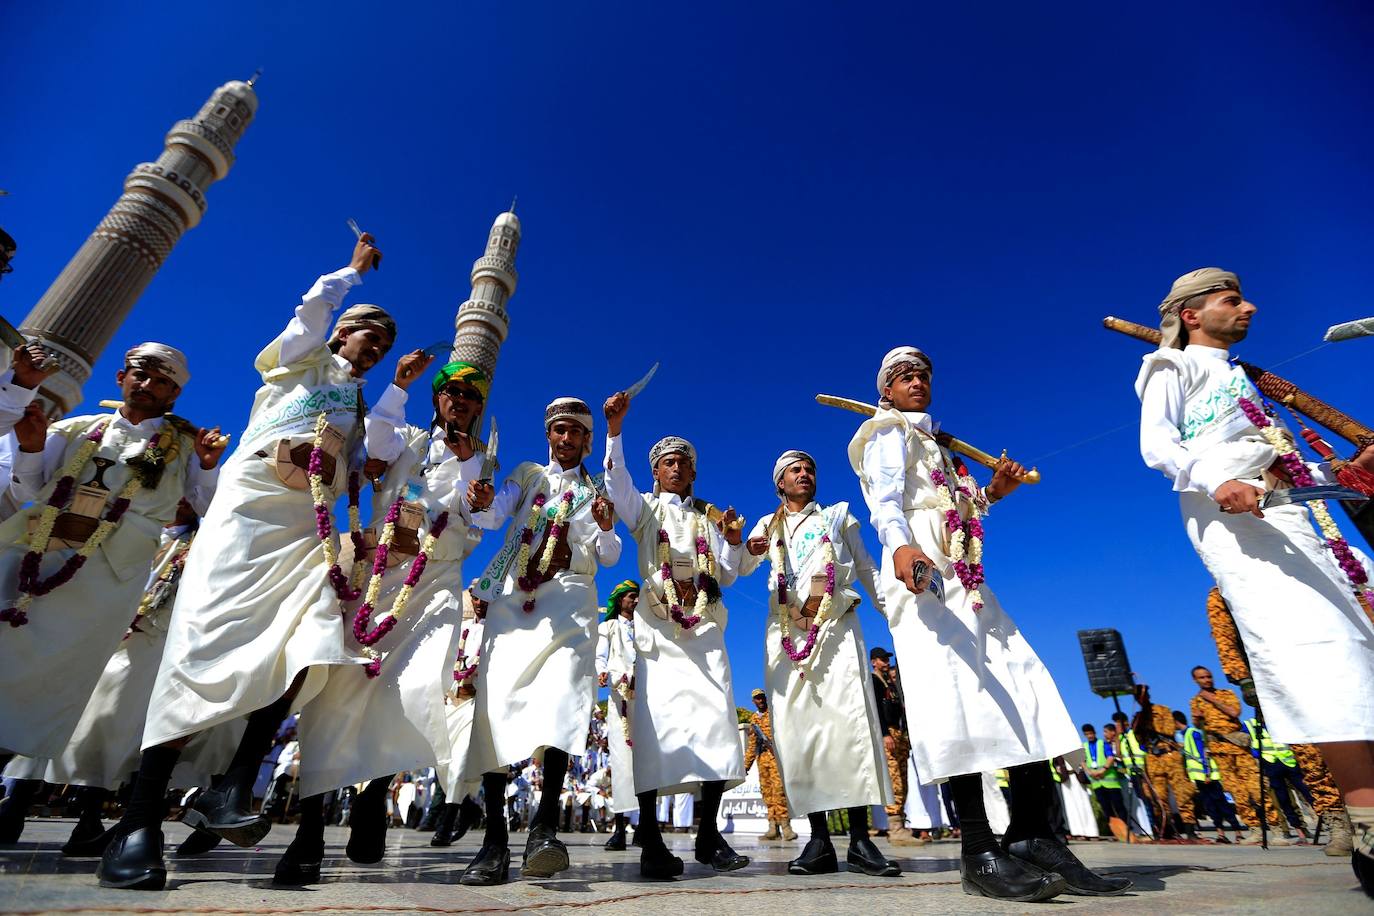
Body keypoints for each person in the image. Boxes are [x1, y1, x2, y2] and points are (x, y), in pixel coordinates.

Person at [97, 234, 413, 890]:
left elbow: (359, 468)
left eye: (382, 347)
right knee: (201, 650)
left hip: (307, 532)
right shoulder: (296, 366)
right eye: (367, 339)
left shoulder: (354, 406)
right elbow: (309, 318)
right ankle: (138, 819)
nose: (373, 350)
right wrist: (349, 275)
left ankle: (236, 779)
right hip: (247, 517)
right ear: (343, 335)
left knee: (310, 643)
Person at [849, 346, 1128, 901]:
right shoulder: (886, 431)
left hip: (966, 577)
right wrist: (900, 547)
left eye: (923, 374)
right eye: (904, 376)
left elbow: (960, 508)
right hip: (920, 572)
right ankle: (978, 849)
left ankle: (1032, 835)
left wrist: (993, 491)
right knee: (953, 698)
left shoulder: (940, 449)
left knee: (1020, 686)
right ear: (886, 390)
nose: (917, 382)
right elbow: (886, 500)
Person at [1135, 268, 1374, 892]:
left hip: (1297, 513)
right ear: (1191, 314)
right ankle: (1369, 827)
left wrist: (1342, 470)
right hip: (1238, 524)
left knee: (1359, 641)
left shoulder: (1245, 377)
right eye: (1231, 300)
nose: (1250, 307)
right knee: (1320, 651)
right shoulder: (1170, 368)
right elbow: (1158, 445)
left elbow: (1274, 456)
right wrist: (1218, 484)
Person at [270, 359, 490, 885]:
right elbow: (381, 438)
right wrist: (399, 385)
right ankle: (311, 829)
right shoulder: (406, 437)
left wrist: (470, 474)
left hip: (434, 582)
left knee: (410, 689)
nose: (458, 400)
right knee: (339, 692)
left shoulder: (481, 460)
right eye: (451, 392)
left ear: (479, 408)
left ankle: (372, 795)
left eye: (469, 396)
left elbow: (479, 520)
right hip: (379, 573)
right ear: (439, 400)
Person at [0, 341, 223, 847]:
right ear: (122, 377)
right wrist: (33, 447)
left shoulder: (183, 448)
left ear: (175, 394)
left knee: (57, 684)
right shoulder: (78, 431)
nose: (150, 386)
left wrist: (208, 465)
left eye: (164, 382)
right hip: (41, 559)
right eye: (142, 375)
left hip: (110, 584)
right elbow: (29, 485)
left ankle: (24, 794)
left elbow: (205, 506)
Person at [1, 501, 241, 857]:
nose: (178, 501)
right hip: (94, 630)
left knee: (108, 720)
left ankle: (92, 817)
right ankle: (18, 805)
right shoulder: (126, 527)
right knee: (56, 709)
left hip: (146, 637)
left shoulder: (203, 541)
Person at [459, 397, 620, 885]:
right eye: (559, 430)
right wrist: (483, 502)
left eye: (576, 432)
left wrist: (608, 528)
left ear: (588, 441)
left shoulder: (596, 491)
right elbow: (491, 517)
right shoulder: (528, 475)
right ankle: (494, 842)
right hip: (516, 598)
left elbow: (609, 556)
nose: (566, 439)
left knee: (562, 704)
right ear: (549, 435)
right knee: (496, 708)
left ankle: (545, 829)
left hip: (570, 599)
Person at [602, 390, 750, 880]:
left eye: (684, 463)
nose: (676, 469)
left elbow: (727, 574)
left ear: (693, 472)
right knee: (655, 730)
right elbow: (615, 483)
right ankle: (651, 840)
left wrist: (731, 543)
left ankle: (708, 835)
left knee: (716, 727)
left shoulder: (712, 517)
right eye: (667, 463)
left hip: (705, 633)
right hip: (660, 634)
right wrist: (616, 431)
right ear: (656, 472)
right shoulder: (643, 510)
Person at [737, 450, 899, 875]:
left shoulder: (838, 517)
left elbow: (866, 568)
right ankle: (819, 841)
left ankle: (862, 841)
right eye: (795, 470)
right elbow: (739, 565)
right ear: (780, 484)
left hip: (837, 628)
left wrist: (898, 617)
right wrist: (746, 547)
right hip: (786, 634)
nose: (805, 474)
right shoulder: (767, 525)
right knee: (801, 734)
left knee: (850, 729)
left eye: (810, 469)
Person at [1205, 586, 1355, 855]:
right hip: (1276, 677)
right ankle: (1339, 824)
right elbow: (1225, 639)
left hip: (1329, 659)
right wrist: (1243, 678)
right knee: (1311, 757)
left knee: (1355, 742)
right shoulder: (1224, 591)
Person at [1188, 666, 1283, 842]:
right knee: (1237, 792)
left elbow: (1234, 712)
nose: (1207, 680)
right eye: (1202, 678)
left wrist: (1213, 699)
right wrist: (1197, 717)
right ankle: (1254, 829)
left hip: (1237, 746)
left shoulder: (1226, 693)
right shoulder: (1195, 701)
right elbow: (1198, 726)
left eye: (1209, 676)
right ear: (1195, 680)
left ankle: (1276, 829)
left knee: (1256, 787)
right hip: (1219, 750)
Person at [596, 579, 640, 851]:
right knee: (623, 762)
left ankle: (646, 826)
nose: (635, 602)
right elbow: (601, 657)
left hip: (644, 699)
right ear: (620, 599)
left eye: (637, 598)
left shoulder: (646, 626)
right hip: (619, 697)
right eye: (631, 597)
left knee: (646, 762)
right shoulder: (608, 627)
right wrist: (604, 673)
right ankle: (620, 828)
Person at [1132, 683, 1200, 840]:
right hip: (1153, 759)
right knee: (1157, 796)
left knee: (1182, 793)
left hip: (1170, 755)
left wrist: (1150, 723)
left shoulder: (1163, 710)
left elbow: (1168, 730)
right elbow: (1139, 740)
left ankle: (1190, 829)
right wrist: (1139, 724)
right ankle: (1166, 829)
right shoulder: (1137, 717)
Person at [869, 648, 917, 845]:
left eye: (887, 659)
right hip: (887, 732)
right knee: (894, 779)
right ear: (874, 662)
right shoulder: (873, 680)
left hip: (898, 733)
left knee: (903, 779)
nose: (885, 662)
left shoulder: (890, 682)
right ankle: (895, 828)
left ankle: (901, 823)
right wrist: (884, 734)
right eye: (882, 659)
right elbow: (876, 710)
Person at [1178, 709, 1245, 843]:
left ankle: (1238, 833)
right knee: (1211, 807)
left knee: (1222, 805)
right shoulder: (1187, 735)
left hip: (1208, 777)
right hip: (1200, 778)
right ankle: (1221, 834)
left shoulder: (1193, 733)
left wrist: (1206, 773)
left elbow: (1204, 754)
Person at [1245, 713, 1315, 839]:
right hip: (1271, 765)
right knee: (1283, 800)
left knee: (1308, 793)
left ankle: (1328, 823)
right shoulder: (1250, 725)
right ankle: (1299, 832)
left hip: (1290, 762)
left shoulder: (1281, 718)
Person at [1081, 724, 1128, 830]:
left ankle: (1125, 828)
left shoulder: (1103, 743)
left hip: (1110, 781)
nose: (1089, 736)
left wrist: (1103, 770)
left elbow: (1110, 757)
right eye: (1087, 734)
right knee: (1106, 807)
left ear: (1094, 732)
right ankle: (1114, 830)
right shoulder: (1084, 746)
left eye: (1090, 733)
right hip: (1096, 782)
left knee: (1118, 805)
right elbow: (1082, 761)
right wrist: (1089, 772)